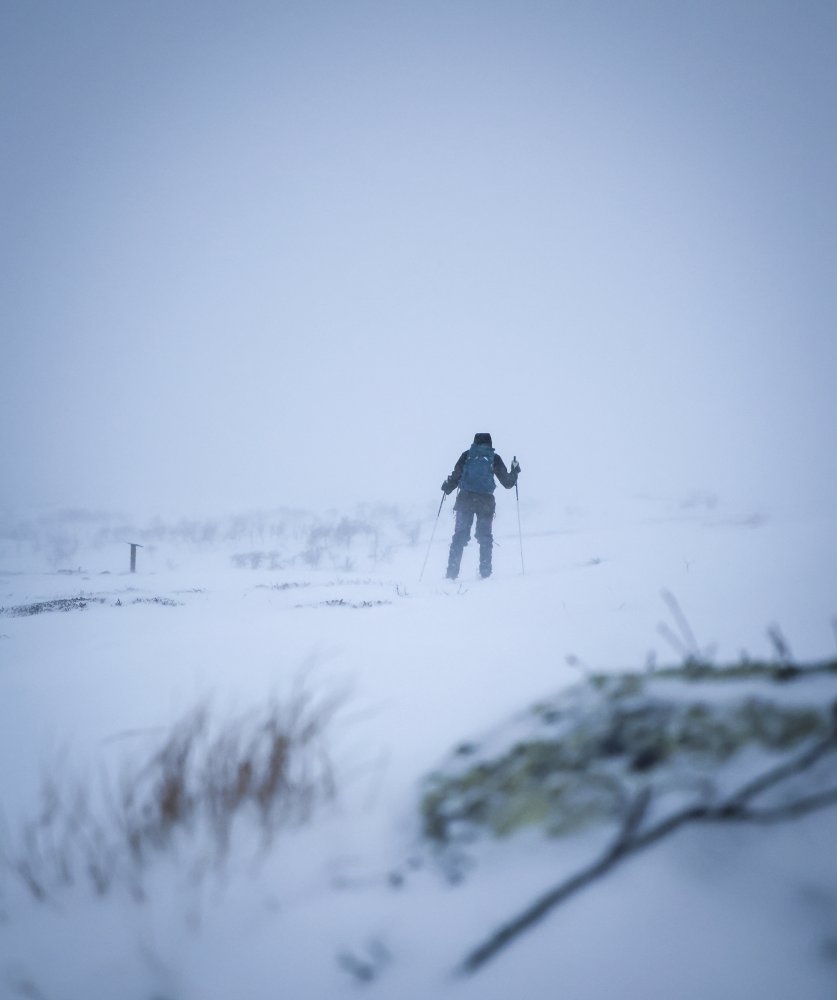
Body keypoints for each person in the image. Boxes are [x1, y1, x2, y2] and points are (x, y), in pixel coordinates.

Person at [441, 433, 521, 579]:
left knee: (459, 536)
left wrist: (447, 487)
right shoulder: (493, 458)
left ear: (474, 442)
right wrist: (515, 471)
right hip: (486, 503)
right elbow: (508, 483)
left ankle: (451, 573)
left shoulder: (467, 456)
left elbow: (456, 476)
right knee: (485, 537)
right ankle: (485, 573)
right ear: (490, 443)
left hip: (465, 500)